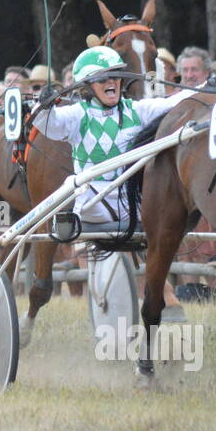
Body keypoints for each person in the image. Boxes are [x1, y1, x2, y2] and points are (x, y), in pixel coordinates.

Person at [34, 47, 193, 315]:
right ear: (87, 86)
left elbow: (175, 102)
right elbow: (49, 125)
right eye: (102, 78)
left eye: (115, 76)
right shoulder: (77, 115)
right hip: (92, 205)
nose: (111, 82)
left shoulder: (137, 110)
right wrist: (44, 105)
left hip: (132, 203)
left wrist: (207, 89)